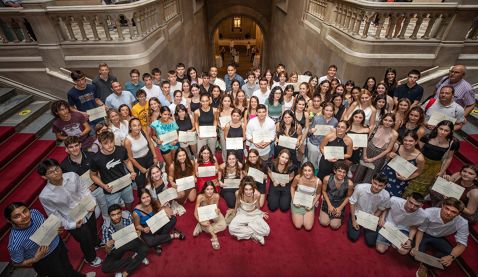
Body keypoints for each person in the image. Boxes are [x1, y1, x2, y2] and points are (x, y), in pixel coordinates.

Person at [37, 159, 102, 268]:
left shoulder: (72, 175)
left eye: (57, 169)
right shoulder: (45, 195)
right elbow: (55, 216)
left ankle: (96, 242)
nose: (56, 172)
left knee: (93, 228)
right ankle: (90, 257)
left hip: (87, 210)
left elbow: (84, 190)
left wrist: (92, 202)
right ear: (44, 177)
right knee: (84, 239)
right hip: (73, 220)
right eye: (51, 172)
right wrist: (72, 225)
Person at [5, 203, 86, 277]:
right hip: (45, 260)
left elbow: (45, 226)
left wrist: (56, 230)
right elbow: (16, 263)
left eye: (25, 211)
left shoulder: (34, 213)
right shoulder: (14, 242)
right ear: (9, 220)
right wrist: (35, 259)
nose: (24, 216)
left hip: (58, 244)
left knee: (68, 267)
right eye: (17, 216)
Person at [412, 198, 469, 277]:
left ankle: (425, 266)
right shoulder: (429, 212)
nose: (448, 213)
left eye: (453, 212)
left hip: (439, 237)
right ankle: (427, 262)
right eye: (447, 208)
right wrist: (416, 247)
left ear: (458, 214)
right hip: (424, 234)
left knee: (451, 253)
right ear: (442, 206)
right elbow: (421, 230)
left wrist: (451, 257)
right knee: (415, 253)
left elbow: (462, 244)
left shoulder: (463, 222)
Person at [403, 120, 459, 198]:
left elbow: (449, 158)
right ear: (437, 128)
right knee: (411, 180)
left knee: (424, 186)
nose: (442, 132)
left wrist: (442, 171)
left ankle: (417, 201)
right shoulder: (427, 137)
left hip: (434, 166)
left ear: (451, 131)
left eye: (446, 130)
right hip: (421, 162)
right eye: (441, 129)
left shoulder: (453, 142)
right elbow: (419, 149)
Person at [61, 136, 109, 223]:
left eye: (76, 145)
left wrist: (96, 184)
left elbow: (101, 171)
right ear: (66, 149)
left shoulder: (92, 156)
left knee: (104, 205)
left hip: (98, 187)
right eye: (71, 147)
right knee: (96, 214)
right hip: (83, 194)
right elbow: (68, 185)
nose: (74, 149)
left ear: (80, 145)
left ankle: (106, 218)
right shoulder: (64, 165)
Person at [90, 131, 137, 211]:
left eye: (111, 142)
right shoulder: (96, 158)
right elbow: (93, 175)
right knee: (114, 209)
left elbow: (127, 161)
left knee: (129, 202)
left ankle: (129, 213)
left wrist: (132, 171)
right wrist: (103, 186)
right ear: (100, 144)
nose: (109, 145)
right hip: (110, 189)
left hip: (125, 183)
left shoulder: (121, 150)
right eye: (105, 143)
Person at [101, 204, 149, 277]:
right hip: (116, 247)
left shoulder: (127, 216)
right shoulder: (105, 226)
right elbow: (107, 251)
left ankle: (126, 271)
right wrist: (108, 246)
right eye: (113, 215)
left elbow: (134, 230)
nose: (116, 217)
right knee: (105, 267)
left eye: (118, 213)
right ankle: (136, 259)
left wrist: (137, 233)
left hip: (130, 241)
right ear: (109, 216)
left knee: (145, 249)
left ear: (121, 212)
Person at [132, 189, 184, 255]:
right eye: (143, 198)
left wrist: (164, 211)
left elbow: (159, 209)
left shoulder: (153, 202)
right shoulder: (136, 212)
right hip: (147, 228)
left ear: (150, 196)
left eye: (148, 197)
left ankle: (158, 241)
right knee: (149, 243)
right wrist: (143, 229)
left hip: (156, 221)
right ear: (140, 199)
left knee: (173, 218)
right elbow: (137, 226)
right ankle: (173, 235)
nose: (146, 199)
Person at [348, 172, 391, 247]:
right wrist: (353, 220)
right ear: (372, 180)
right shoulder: (360, 187)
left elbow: (380, 209)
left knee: (371, 242)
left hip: (372, 216)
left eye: (380, 185)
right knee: (353, 237)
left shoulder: (386, 195)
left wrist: (371, 220)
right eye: (375, 183)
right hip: (357, 213)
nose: (377, 187)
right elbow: (352, 202)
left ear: (385, 186)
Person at [354, 113, 398, 184]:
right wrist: (364, 154)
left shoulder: (394, 134)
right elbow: (366, 140)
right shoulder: (375, 127)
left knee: (370, 176)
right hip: (368, 149)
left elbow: (388, 149)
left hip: (380, 155)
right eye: (385, 120)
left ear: (393, 122)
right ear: (382, 120)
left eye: (390, 121)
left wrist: (373, 159)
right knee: (359, 171)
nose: (387, 122)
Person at [229, 176, 270, 245]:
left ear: (254, 188)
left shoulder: (257, 194)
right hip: (242, 213)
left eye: (251, 189)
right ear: (242, 188)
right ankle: (254, 235)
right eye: (246, 189)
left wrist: (261, 213)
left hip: (253, 213)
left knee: (267, 231)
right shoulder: (238, 193)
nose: (249, 192)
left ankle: (247, 228)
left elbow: (258, 207)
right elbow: (237, 203)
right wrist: (234, 212)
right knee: (231, 229)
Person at [383, 131, 425, 197]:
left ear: (416, 142)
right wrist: (389, 155)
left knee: (391, 199)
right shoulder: (397, 147)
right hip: (386, 174)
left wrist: (406, 178)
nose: (407, 143)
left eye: (411, 141)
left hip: (400, 181)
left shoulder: (419, 158)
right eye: (405, 140)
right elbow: (387, 158)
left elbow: (418, 172)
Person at [124, 117, 157, 193]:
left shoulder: (143, 132)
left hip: (149, 157)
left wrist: (155, 156)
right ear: (130, 127)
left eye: (139, 125)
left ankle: (155, 194)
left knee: (153, 177)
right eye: (134, 125)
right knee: (141, 184)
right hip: (137, 161)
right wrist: (140, 168)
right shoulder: (127, 141)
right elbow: (130, 158)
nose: (137, 127)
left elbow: (151, 144)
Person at [193, 181, 227, 250]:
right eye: (207, 189)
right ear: (204, 190)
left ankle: (201, 227)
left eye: (211, 189)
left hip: (212, 211)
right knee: (207, 223)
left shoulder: (216, 196)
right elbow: (195, 213)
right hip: (203, 212)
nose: (210, 191)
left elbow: (216, 207)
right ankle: (214, 237)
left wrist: (218, 210)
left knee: (224, 225)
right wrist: (200, 221)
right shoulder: (200, 197)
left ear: (214, 189)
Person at [320, 162, 353, 230]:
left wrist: (340, 208)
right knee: (324, 223)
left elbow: (348, 196)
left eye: (344, 172)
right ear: (335, 171)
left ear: (346, 173)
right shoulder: (327, 178)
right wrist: (329, 205)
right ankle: (322, 208)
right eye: (339, 171)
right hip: (328, 200)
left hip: (339, 203)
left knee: (334, 226)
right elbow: (323, 191)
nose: (341, 174)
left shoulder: (350, 183)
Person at [308, 102, 338, 173]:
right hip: (314, 142)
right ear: (323, 110)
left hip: (326, 144)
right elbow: (309, 133)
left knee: (321, 161)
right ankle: (312, 171)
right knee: (313, 154)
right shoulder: (316, 119)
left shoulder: (335, 121)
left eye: (331, 111)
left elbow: (336, 136)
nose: (329, 112)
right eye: (327, 110)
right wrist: (311, 131)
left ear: (333, 112)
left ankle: (319, 173)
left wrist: (335, 132)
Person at [291, 162, 321, 230]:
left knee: (308, 227)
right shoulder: (298, 177)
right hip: (298, 200)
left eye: (309, 170)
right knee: (298, 225)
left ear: (313, 171)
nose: (307, 173)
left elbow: (318, 194)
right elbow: (292, 187)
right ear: (302, 170)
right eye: (305, 170)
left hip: (309, 202)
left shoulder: (318, 182)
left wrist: (312, 205)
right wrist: (294, 200)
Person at [218, 151, 243, 223]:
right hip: (226, 187)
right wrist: (219, 181)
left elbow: (241, 175)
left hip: (236, 185)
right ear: (227, 160)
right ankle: (233, 212)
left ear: (236, 159)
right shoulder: (223, 165)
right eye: (230, 159)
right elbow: (219, 170)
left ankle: (233, 214)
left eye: (233, 159)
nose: (232, 161)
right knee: (231, 204)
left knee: (240, 200)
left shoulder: (240, 165)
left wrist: (241, 182)